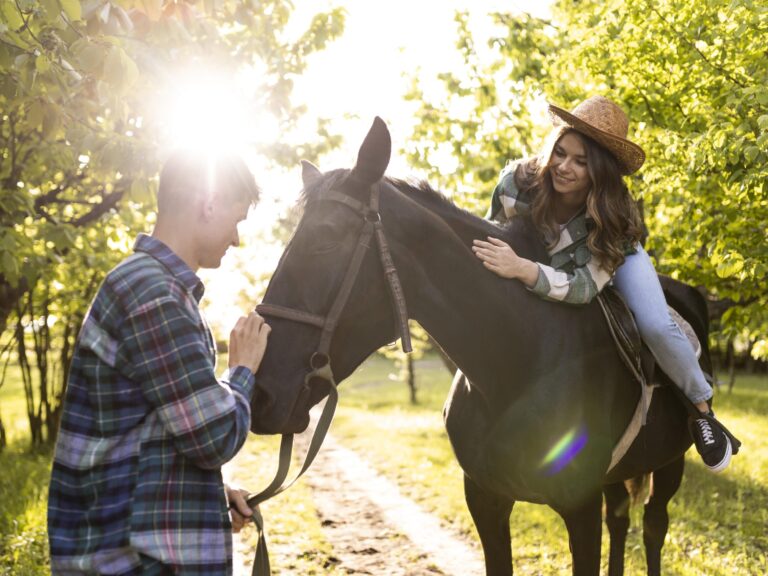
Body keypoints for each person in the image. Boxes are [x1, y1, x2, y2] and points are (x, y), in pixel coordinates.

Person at [472, 95, 739, 473]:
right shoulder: (517, 185)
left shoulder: (611, 217)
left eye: (581, 162)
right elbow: (493, 235)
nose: (564, 167)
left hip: (612, 257)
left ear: (600, 170)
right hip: (545, 258)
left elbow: (583, 288)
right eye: (561, 152)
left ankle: (702, 411)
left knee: (654, 324)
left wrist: (523, 270)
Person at [48, 150, 271, 575]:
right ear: (209, 203)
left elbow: (154, 430)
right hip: (132, 564)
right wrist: (243, 369)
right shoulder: (156, 295)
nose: (237, 238)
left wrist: (213, 491)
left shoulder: (153, 287)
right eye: (237, 219)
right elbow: (213, 435)